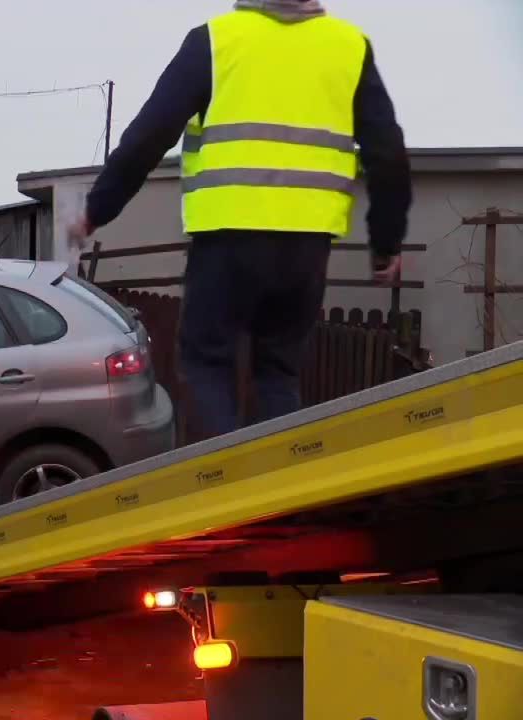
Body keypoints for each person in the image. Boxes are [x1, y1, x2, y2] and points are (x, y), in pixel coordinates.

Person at [67, 0, 412, 440]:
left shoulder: (215, 41)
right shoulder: (349, 47)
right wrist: (385, 244)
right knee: (279, 375)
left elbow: (148, 136)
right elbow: (387, 154)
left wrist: (97, 210)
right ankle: (279, 496)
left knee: (208, 364)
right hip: (306, 250)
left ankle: (220, 492)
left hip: (226, 241)